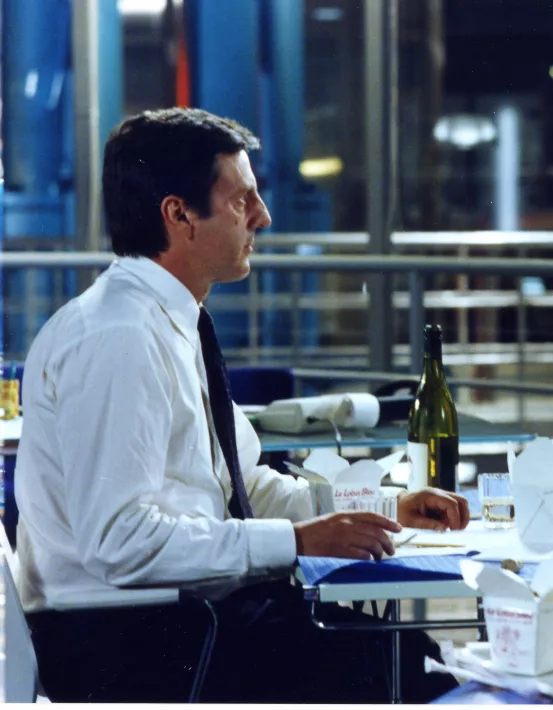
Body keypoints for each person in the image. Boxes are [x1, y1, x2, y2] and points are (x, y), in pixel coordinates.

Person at [14, 107, 466, 703]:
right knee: (395, 669)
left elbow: (243, 487)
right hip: (130, 644)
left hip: (179, 622)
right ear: (178, 214)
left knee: (406, 655)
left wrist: (378, 508)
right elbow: (121, 542)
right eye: (240, 200)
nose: (263, 216)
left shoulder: (169, 322)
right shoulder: (118, 338)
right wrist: (297, 542)